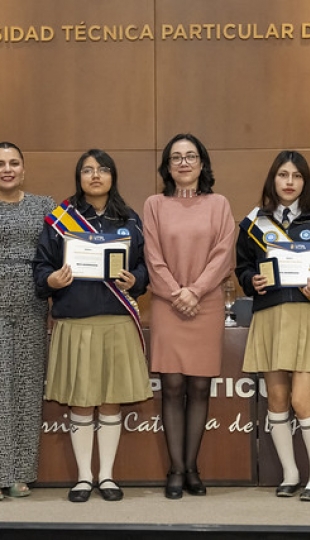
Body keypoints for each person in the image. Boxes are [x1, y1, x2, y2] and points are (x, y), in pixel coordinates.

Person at [33, 149, 152, 503]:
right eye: (87, 170)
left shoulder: (129, 219)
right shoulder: (59, 219)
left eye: (102, 169)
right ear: (79, 177)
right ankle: (84, 478)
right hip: (76, 321)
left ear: (113, 176)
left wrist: (137, 279)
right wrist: (51, 280)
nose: (95, 176)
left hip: (116, 321)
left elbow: (146, 267)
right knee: (82, 403)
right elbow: (40, 267)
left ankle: (107, 477)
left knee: (111, 401)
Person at [143, 133, 235, 499]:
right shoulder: (154, 204)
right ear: (167, 166)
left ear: (202, 163)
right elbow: (152, 256)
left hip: (206, 303)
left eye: (191, 156)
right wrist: (177, 292)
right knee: (173, 386)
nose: (183, 162)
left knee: (199, 387)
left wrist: (194, 291)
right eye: (176, 157)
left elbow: (224, 254)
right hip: (167, 304)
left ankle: (193, 468)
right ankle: (175, 470)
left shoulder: (219, 203)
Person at [235, 150, 310, 502]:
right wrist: (252, 282)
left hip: (305, 316)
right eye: (283, 175)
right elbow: (243, 269)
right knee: (277, 399)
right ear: (273, 179)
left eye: (296, 176)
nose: (290, 182)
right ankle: (291, 474)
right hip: (269, 314)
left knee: (302, 401)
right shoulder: (253, 222)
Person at [0, 141, 55, 500]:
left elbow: (64, 248)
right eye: (1, 163)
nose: (7, 168)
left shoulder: (45, 206)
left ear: (24, 168)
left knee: (25, 390)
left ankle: (19, 473)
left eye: (14, 162)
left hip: (33, 304)